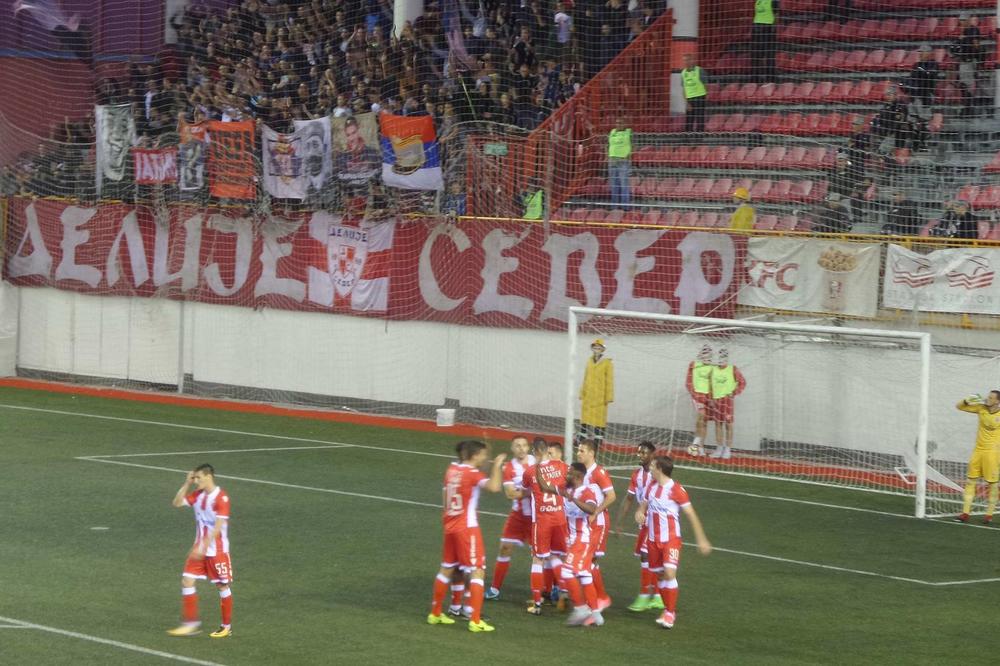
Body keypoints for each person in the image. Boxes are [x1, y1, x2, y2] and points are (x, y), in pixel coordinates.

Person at [427, 440, 506, 632]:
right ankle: (475, 620)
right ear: (474, 455)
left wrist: (485, 466)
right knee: (477, 570)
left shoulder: (452, 470)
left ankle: (435, 613)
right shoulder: (472, 474)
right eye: (482, 455)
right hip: (467, 528)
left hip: (450, 526)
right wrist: (496, 466)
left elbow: (455, 488)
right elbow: (495, 487)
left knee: (446, 568)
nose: (484, 457)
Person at [634, 456, 712, 629]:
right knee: (661, 575)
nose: (650, 468)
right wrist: (640, 512)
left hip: (671, 539)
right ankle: (668, 610)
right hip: (653, 540)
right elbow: (643, 506)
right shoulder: (651, 487)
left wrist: (701, 538)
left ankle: (670, 613)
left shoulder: (676, 490)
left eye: (653, 466)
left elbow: (691, 514)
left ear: (660, 469)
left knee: (669, 573)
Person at [166, 464, 234, 638]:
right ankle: (191, 624)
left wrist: (203, 546)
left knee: (222, 586)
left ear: (208, 476)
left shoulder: (221, 498)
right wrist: (186, 484)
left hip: (216, 552)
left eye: (198, 478)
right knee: (187, 581)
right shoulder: (197, 495)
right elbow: (176, 503)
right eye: (194, 478)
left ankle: (226, 626)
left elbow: (219, 526)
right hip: (199, 550)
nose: (196, 481)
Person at [536, 462, 605, 626]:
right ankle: (596, 614)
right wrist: (537, 470)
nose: (566, 475)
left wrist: (573, 500)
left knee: (567, 572)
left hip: (582, 538)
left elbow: (591, 509)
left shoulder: (586, 491)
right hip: (574, 540)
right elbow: (546, 487)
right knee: (584, 575)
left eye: (569, 473)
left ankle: (581, 609)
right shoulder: (568, 489)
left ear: (578, 476)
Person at [485, 436, 537, 600]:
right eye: (517, 446)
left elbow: (517, 492)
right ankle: (495, 589)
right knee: (505, 548)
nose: (521, 448)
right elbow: (510, 494)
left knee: (542, 555)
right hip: (518, 516)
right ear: (512, 449)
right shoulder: (509, 468)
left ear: (528, 448)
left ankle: (552, 589)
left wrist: (524, 491)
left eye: (524, 445)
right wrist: (535, 490)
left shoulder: (536, 462)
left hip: (537, 516)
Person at [522, 440, 569, 615]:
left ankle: (537, 603)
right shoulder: (561, 466)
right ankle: (563, 589)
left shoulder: (530, 471)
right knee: (556, 555)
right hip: (560, 518)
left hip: (542, 521)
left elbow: (526, 489)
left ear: (534, 451)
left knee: (538, 559)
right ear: (547, 451)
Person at [615, 441, 662, 612]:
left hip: (656, 521)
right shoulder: (636, 475)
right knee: (652, 558)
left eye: (644, 452)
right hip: (644, 522)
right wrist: (620, 522)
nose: (640, 455)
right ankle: (657, 597)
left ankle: (644, 596)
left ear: (652, 454)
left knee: (645, 555)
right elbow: (628, 499)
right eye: (638, 452)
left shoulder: (658, 474)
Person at [575, 439, 616, 611]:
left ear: (592, 453)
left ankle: (601, 598)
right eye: (578, 450)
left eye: (582, 451)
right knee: (587, 560)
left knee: (589, 559)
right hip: (586, 522)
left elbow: (611, 496)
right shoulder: (581, 472)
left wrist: (596, 512)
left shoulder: (598, 473)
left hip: (598, 522)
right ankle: (597, 596)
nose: (578, 453)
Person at [955, 391, 1000, 524]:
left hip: (992, 453)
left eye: (991, 398)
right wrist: (966, 400)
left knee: (992, 484)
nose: (988, 399)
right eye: (988, 396)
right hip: (978, 451)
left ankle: (989, 514)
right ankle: (965, 513)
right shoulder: (981, 408)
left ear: (997, 401)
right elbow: (959, 407)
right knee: (970, 481)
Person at [708, 348, 747, 460]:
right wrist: (711, 399)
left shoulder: (732, 369)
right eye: (720, 357)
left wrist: (734, 393)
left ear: (727, 358)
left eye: (724, 357)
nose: (721, 359)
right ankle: (719, 448)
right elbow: (710, 386)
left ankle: (728, 450)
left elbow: (742, 382)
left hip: (727, 401)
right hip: (716, 401)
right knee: (718, 425)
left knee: (728, 425)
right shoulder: (713, 370)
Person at [579, 338, 614, 446]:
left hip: (600, 396)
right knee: (585, 417)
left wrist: (609, 396)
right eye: (595, 347)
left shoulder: (607, 363)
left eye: (599, 348)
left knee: (599, 419)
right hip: (589, 395)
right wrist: (582, 392)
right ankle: (582, 437)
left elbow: (609, 380)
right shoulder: (589, 361)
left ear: (602, 350)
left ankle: (598, 440)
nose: (597, 349)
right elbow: (585, 377)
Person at [685, 345, 715, 456]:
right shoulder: (694, 365)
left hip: (708, 398)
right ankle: (697, 444)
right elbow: (688, 382)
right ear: (701, 355)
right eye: (705, 354)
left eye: (710, 355)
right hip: (697, 397)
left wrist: (712, 399)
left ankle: (700, 446)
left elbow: (712, 384)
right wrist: (694, 395)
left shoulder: (712, 368)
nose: (708, 357)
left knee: (704, 423)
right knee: (701, 418)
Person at [750, 0, 778, 83]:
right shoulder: (758, 1)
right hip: (757, 27)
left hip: (768, 27)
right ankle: (755, 79)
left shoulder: (773, 1)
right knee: (755, 55)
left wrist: (773, 26)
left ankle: (770, 79)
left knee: (769, 55)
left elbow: (776, 14)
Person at [608, 116, 632, 206]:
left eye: (621, 123)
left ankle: (625, 206)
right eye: (617, 123)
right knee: (614, 184)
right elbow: (609, 145)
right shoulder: (612, 132)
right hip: (612, 160)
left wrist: (628, 156)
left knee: (624, 184)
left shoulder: (629, 132)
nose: (618, 125)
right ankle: (614, 205)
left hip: (623, 161)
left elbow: (634, 145)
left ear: (626, 124)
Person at [681, 53, 708, 134]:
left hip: (700, 97)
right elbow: (684, 88)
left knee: (700, 119)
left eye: (688, 60)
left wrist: (704, 96)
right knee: (689, 119)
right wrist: (686, 102)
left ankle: (699, 138)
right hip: (689, 98)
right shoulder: (683, 73)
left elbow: (706, 85)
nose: (686, 62)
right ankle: (688, 137)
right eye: (684, 60)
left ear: (693, 61)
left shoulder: (700, 70)